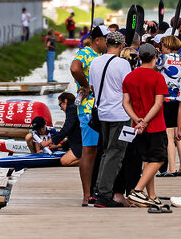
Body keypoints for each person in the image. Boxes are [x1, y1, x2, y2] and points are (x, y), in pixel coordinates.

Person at [88, 28, 132, 208]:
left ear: (106, 44)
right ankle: (104, 195)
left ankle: (98, 189)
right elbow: (129, 89)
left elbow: (92, 88)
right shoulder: (123, 64)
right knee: (115, 153)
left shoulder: (95, 62)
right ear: (122, 45)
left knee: (106, 151)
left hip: (102, 113)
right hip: (120, 113)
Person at [122, 44, 168, 207]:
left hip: (137, 126)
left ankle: (152, 195)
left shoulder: (129, 77)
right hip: (155, 125)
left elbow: (125, 103)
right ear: (155, 57)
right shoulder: (158, 77)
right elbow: (158, 103)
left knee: (148, 160)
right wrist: (146, 121)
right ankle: (137, 191)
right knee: (159, 159)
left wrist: (138, 120)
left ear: (139, 57)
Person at [70, 27, 106, 204]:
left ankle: (99, 189)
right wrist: (85, 86)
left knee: (101, 151)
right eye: (106, 39)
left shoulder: (103, 55)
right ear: (97, 40)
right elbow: (75, 68)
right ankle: (86, 194)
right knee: (89, 150)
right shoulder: (86, 53)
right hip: (88, 108)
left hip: (103, 108)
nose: (108, 43)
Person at [158, 34, 181, 177]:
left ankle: (171, 168)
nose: (161, 48)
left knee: (169, 135)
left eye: (162, 45)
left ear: (168, 46)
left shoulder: (163, 58)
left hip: (168, 99)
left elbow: (153, 68)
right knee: (180, 134)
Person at [49, 93, 82, 167]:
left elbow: (66, 129)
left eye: (60, 105)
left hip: (81, 144)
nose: (60, 108)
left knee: (64, 161)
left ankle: (93, 160)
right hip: (80, 141)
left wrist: (50, 141)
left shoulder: (71, 109)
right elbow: (74, 134)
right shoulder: (75, 109)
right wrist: (58, 145)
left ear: (65, 101)